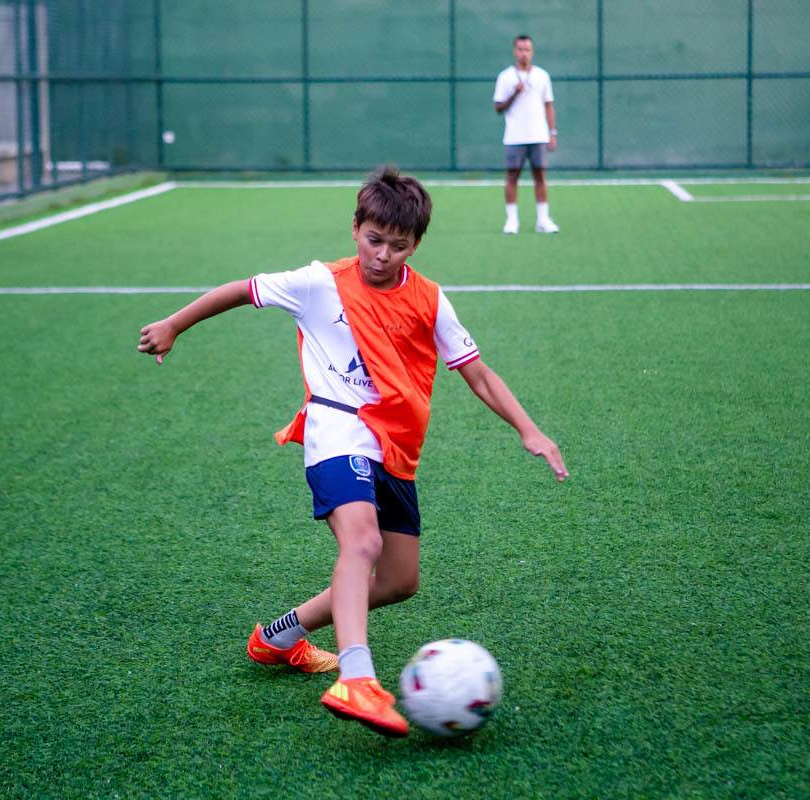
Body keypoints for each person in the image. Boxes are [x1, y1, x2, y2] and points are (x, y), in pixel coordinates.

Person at [137, 166, 569, 738]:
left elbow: (478, 373)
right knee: (361, 541)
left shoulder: (432, 301)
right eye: (374, 240)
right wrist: (174, 323)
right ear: (355, 228)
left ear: (415, 245)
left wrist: (528, 429)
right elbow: (241, 291)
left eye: (398, 245)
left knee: (397, 582)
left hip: (396, 451)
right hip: (335, 430)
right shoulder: (320, 283)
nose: (383, 255)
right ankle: (357, 678)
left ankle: (278, 637)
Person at [493, 34, 558, 234]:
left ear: (532, 52)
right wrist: (514, 93)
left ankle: (543, 220)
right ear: (515, 51)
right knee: (512, 177)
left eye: (527, 49)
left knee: (540, 176)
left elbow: (548, 105)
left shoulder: (542, 76)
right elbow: (498, 107)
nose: (524, 53)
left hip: (538, 135)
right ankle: (512, 221)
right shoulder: (505, 77)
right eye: (520, 49)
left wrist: (552, 132)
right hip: (515, 136)